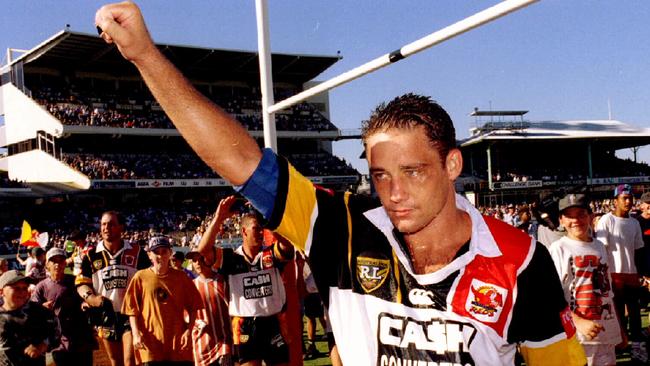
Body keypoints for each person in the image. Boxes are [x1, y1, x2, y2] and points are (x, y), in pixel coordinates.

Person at [95, 3, 586, 364]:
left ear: (452, 164)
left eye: (413, 171)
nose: (394, 193)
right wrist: (143, 56)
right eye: (380, 175)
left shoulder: (521, 260)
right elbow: (236, 158)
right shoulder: (342, 226)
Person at [196, 197, 293, 366]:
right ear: (244, 231)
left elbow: (287, 248)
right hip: (244, 325)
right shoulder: (231, 258)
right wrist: (218, 218)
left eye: (262, 229)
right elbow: (203, 250)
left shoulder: (269, 255)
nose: (261, 233)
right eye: (257, 229)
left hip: (273, 322)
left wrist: (269, 221)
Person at [549, 194, 621, 366]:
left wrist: (620, 331)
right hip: (577, 337)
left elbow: (608, 293)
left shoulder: (599, 247)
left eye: (581, 214)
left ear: (591, 216)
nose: (576, 220)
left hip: (605, 332)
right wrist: (577, 321)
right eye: (569, 216)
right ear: (561, 220)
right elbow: (550, 297)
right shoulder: (558, 249)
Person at [75, 211, 150, 366]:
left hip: (131, 314)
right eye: (103, 224)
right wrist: (91, 298)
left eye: (111, 224)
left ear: (121, 227)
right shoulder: (91, 256)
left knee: (130, 361)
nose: (106, 228)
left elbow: (149, 280)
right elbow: (82, 283)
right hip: (106, 314)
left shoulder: (137, 252)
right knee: (116, 361)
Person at [122, 236, 203, 365]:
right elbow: (132, 310)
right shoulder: (140, 277)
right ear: (149, 255)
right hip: (150, 345)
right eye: (156, 252)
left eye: (164, 252)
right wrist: (136, 334)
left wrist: (188, 331)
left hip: (178, 345)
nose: (160, 256)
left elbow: (193, 307)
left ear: (170, 253)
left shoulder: (181, 277)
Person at [595, 184, 647, 363]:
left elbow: (639, 250)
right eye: (624, 198)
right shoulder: (606, 220)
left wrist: (642, 274)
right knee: (617, 316)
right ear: (615, 201)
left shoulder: (634, 222)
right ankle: (619, 346)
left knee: (635, 313)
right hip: (613, 274)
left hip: (631, 274)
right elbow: (601, 249)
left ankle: (638, 348)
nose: (628, 201)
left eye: (630, 198)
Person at [31, 248, 97, 366]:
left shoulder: (76, 281)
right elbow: (32, 311)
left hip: (81, 337)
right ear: (47, 265)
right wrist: (42, 308)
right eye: (53, 261)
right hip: (59, 341)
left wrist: (85, 304)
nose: (57, 264)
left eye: (61, 260)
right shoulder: (41, 287)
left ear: (65, 263)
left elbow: (85, 297)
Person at [0, 270, 60, 366]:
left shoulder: (38, 311)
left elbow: (56, 331)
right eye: (16, 288)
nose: (22, 292)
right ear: (2, 291)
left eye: (25, 288)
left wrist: (42, 346)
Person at [186, 249, 234, 366]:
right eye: (194, 260)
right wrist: (197, 322)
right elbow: (184, 314)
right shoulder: (190, 286)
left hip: (224, 344)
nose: (198, 263)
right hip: (201, 347)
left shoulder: (224, 282)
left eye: (201, 259)